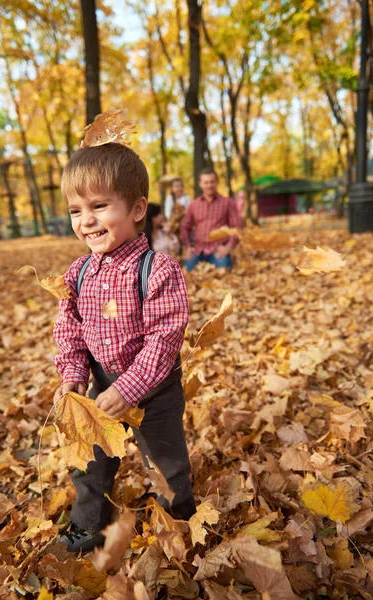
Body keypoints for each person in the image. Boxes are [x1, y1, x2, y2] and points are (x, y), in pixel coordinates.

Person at [53, 136, 196, 553]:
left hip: (155, 389)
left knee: (166, 464)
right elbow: (70, 330)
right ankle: (87, 524)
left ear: (136, 209)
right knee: (92, 460)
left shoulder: (157, 270)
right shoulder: (79, 272)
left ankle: (178, 523)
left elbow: (164, 339)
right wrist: (75, 375)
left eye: (99, 206)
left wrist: (129, 389)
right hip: (101, 385)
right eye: (75, 211)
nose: (86, 221)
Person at [180, 168, 241, 272]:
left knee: (225, 274)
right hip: (197, 250)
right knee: (185, 274)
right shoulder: (194, 205)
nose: (209, 185)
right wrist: (187, 247)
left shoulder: (228, 203)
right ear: (200, 184)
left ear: (216, 182)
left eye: (212, 182)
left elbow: (237, 228)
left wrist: (228, 247)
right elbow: (184, 226)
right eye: (206, 182)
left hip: (218, 250)